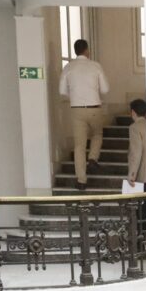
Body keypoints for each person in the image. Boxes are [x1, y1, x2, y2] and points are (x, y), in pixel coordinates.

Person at [57, 39, 110, 190]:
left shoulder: (68, 67)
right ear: (87, 50)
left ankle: (81, 180)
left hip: (76, 109)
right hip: (94, 107)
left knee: (79, 145)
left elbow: (62, 91)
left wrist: (73, 96)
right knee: (97, 134)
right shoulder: (95, 66)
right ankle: (93, 157)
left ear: (75, 51)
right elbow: (105, 89)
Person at [125, 98, 146, 193]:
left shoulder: (134, 127)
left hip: (143, 174)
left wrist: (132, 174)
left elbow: (136, 152)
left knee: (142, 205)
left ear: (133, 112)